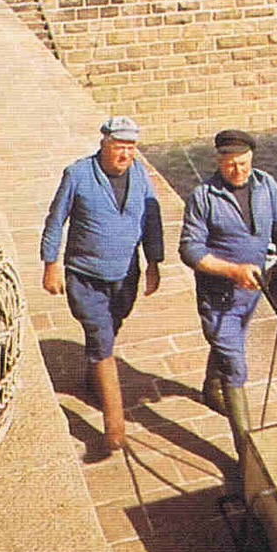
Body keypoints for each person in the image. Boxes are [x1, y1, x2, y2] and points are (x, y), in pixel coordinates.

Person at [179, 128, 277, 473]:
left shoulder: (268, 186)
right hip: (218, 296)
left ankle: (210, 387)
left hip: (252, 295)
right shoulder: (202, 197)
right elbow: (190, 251)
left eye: (244, 163)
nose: (239, 171)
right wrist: (233, 271)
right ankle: (247, 454)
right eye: (231, 164)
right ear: (219, 162)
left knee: (227, 346)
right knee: (236, 366)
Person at [40, 116, 164, 455]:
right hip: (85, 277)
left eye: (131, 147)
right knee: (101, 340)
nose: (125, 154)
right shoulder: (77, 175)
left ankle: (94, 378)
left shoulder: (140, 175)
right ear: (103, 145)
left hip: (125, 277)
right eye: (118, 147)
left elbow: (151, 219)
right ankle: (114, 427)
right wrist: (50, 264)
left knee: (109, 331)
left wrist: (154, 263)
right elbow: (55, 219)